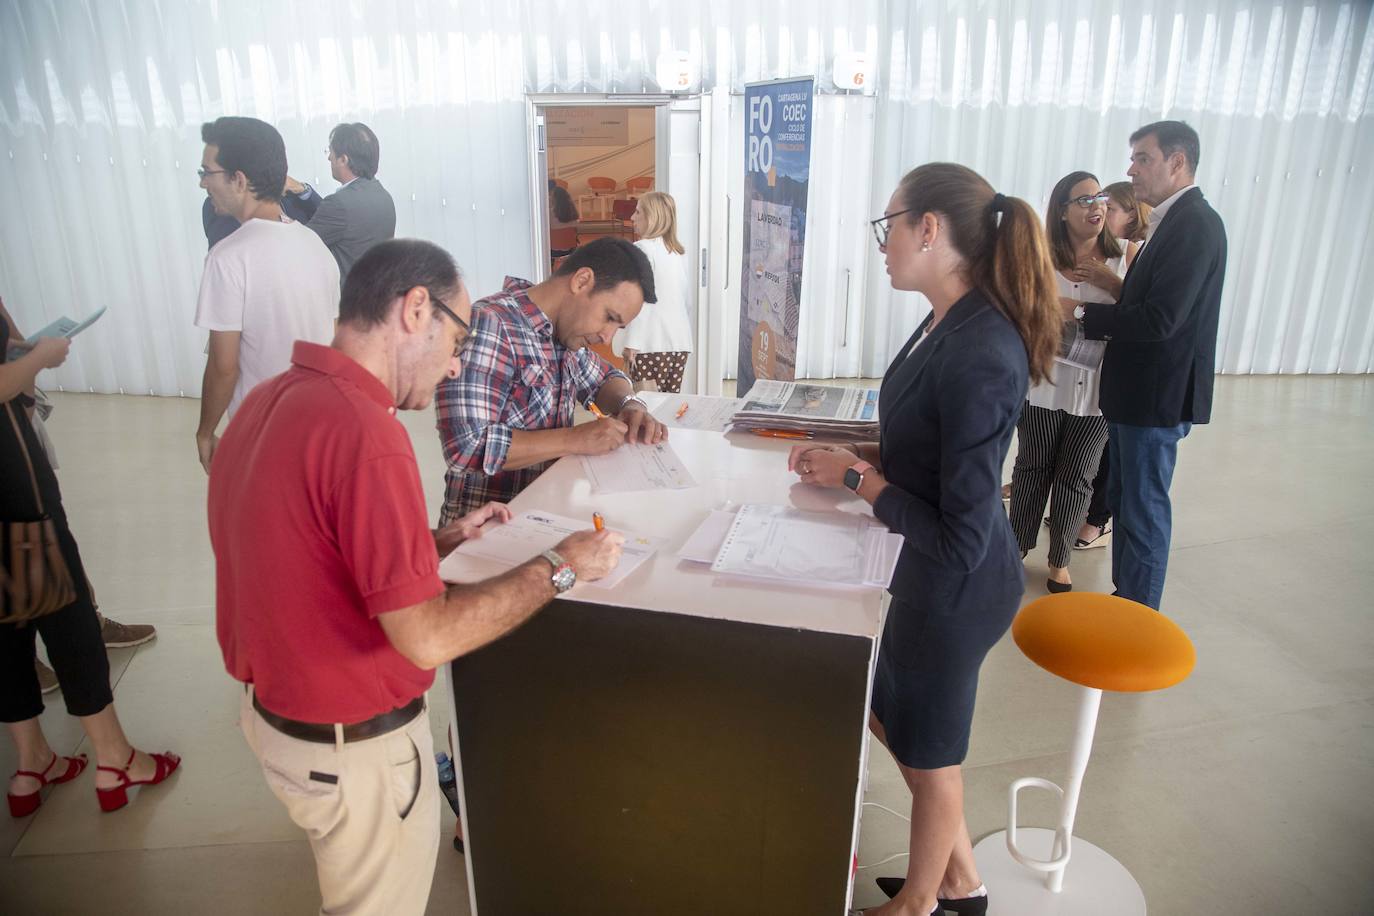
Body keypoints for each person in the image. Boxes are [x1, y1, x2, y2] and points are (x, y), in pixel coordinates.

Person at [207, 238, 625, 914]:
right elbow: (427, 638)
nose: (457, 363)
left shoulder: (268, 399)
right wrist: (561, 567)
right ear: (415, 310)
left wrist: (435, 541)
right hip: (352, 744)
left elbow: (311, 550)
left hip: (280, 720)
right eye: (457, 340)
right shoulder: (366, 433)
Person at [789, 163, 1059, 916]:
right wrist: (856, 457)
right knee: (898, 723)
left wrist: (858, 481)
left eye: (889, 226)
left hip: (957, 590)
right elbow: (926, 447)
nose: (883, 245)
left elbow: (962, 536)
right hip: (922, 577)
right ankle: (960, 881)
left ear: (929, 229)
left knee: (931, 756)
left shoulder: (982, 352)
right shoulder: (945, 320)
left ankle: (921, 904)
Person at [2, 313, 179, 819]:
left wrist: (22, 349)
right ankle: (115, 758)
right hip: (14, 491)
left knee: (7, 627)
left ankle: (32, 762)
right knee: (67, 617)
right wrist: (40, 357)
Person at [1075, 120, 1227, 610]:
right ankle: (1127, 601)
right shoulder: (1171, 222)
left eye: (1143, 158)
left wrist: (1079, 313)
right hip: (1135, 394)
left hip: (1156, 397)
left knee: (1142, 508)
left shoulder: (1195, 225)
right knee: (1127, 501)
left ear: (1177, 162)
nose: (1131, 170)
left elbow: (1161, 319)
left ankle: (1138, 615)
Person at [434, 237, 666, 526]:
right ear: (581, 281)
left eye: (618, 327)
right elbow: (466, 446)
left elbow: (607, 378)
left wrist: (630, 404)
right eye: (609, 317)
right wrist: (575, 439)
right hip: (484, 534)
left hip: (542, 519)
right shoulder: (492, 325)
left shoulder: (564, 334)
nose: (607, 337)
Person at [0, 297, 156, 684]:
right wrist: (39, 358)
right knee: (28, 546)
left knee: (50, 537)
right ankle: (24, 661)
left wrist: (25, 354)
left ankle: (86, 625)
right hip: (9, 450)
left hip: (16, 438)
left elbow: (10, 341)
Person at [194, 116, 340, 473]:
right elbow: (334, 339)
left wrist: (205, 431)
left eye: (207, 172)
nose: (202, 183)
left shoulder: (228, 257)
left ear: (238, 179)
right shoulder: (313, 243)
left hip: (264, 434)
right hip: (320, 425)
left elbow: (223, 366)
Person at [1007, 172, 1125, 593]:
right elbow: (1016, 307)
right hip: (1042, 383)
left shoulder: (1124, 257)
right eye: (1084, 200)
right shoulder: (1038, 257)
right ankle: (1016, 546)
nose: (1097, 206)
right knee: (1032, 467)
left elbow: (1143, 315)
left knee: (1078, 476)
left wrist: (1113, 285)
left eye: (1100, 198)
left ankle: (1060, 559)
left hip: (1097, 394)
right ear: (1061, 211)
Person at [1075, 181, 1154, 551]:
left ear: (1133, 213)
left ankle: (1097, 519)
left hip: (1118, 362)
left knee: (1108, 445)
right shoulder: (1092, 246)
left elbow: (1142, 311)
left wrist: (1110, 283)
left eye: (1113, 208)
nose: (1103, 213)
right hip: (1083, 364)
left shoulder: (1132, 250)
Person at [282, 122, 398, 283]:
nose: (329, 157)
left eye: (331, 152)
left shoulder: (340, 204)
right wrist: (303, 190)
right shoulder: (382, 194)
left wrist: (276, 213)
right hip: (374, 289)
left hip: (347, 294)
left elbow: (301, 244)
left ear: (343, 159)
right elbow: (339, 221)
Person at [617, 191, 694, 393]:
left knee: (646, 406)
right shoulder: (677, 252)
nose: (632, 217)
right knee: (669, 404)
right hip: (679, 342)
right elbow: (687, 302)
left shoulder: (642, 249)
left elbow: (640, 301)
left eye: (638, 212)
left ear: (652, 217)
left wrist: (632, 342)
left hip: (649, 344)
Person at [549, 181, 580, 260]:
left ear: (553, 199)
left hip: (553, 250)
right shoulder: (574, 214)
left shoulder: (549, 214)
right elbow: (576, 233)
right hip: (570, 250)